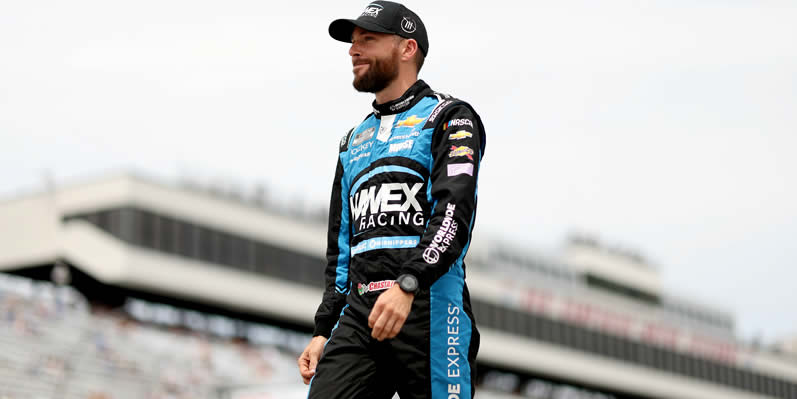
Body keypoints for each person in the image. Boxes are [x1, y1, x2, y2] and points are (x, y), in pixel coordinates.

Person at [297, 2, 486, 398]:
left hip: (429, 307)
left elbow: (454, 214)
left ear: (407, 49)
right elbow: (342, 247)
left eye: (368, 39)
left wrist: (408, 284)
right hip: (361, 313)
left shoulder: (450, 117)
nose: (353, 50)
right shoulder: (352, 141)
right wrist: (323, 329)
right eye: (352, 42)